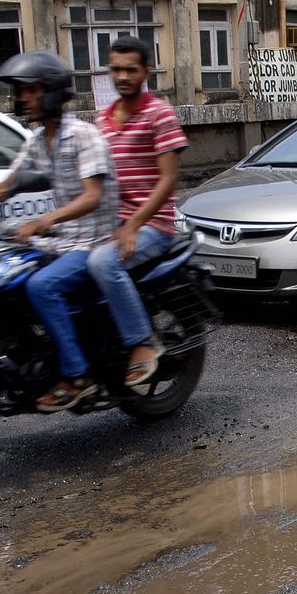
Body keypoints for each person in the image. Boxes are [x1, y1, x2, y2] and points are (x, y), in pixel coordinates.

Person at [0, 51, 117, 412]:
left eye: (31, 90)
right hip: (62, 241)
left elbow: (93, 196)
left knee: (41, 286)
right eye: (22, 91)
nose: (24, 98)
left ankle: (77, 377)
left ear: (52, 92)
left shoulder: (84, 135)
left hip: (93, 241)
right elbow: (5, 187)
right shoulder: (38, 140)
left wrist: (46, 220)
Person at [88, 35, 189, 388]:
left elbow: (168, 180)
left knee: (104, 263)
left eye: (130, 70)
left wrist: (132, 225)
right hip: (114, 224)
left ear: (146, 72)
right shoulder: (102, 121)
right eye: (116, 69)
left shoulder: (159, 114)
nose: (122, 77)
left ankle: (143, 343)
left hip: (153, 226)